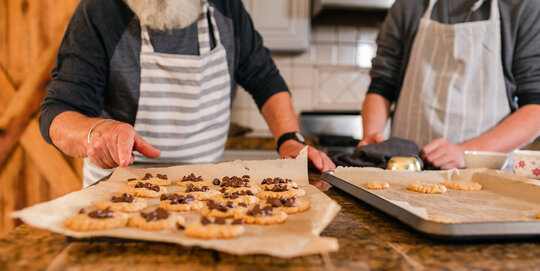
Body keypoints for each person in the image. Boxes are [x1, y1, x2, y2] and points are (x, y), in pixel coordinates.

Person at [39, 0, 335, 187]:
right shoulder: (99, 11)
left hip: (203, 193)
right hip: (117, 195)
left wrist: (290, 141)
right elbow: (57, 114)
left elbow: (265, 79)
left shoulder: (226, 9)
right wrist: (95, 132)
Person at [359, 0, 540, 169]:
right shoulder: (409, 4)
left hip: (484, 173)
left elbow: (535, 106)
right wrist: (372, 136)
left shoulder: (523, 6)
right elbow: (382, 85)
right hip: (406, 167)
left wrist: (465, 153)